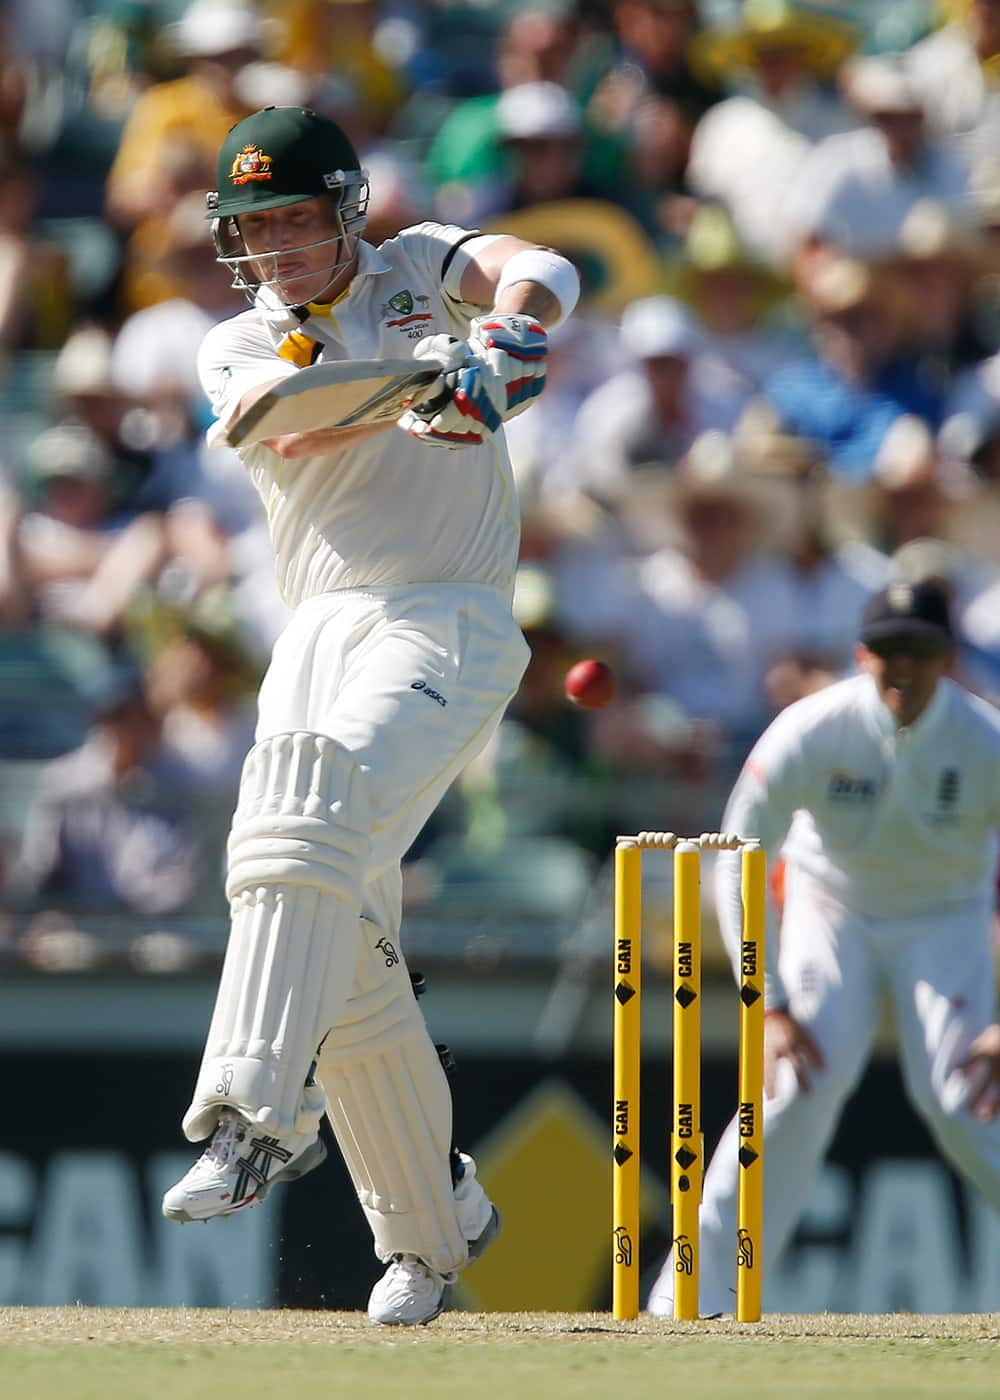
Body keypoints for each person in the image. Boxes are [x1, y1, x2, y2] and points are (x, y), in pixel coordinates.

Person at [159, 104, 579, 1327]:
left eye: (294, 218)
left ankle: (249, 1115)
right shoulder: (239, 342)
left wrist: (505, 337)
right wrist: (429, 390)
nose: (278, 248)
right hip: (316, 632)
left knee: (300, 841)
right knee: (326, 921)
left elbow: (539, 266)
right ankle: (433, 1231)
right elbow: (272, 422)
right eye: (254, 228)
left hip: (444, 615)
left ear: (346, 208)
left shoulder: (415, 267)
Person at [647, 579, 1000, 1318]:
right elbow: (738, 857)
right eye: (889, 649)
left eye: (922, 650)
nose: (904, 668)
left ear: (948, 656)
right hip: (829, 908)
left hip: (947, 918)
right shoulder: (813, 729)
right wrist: (766, 1001)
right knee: (788, 1092)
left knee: (967, 1100)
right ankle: (692, 1305)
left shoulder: (984, 741)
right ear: (861, 653)